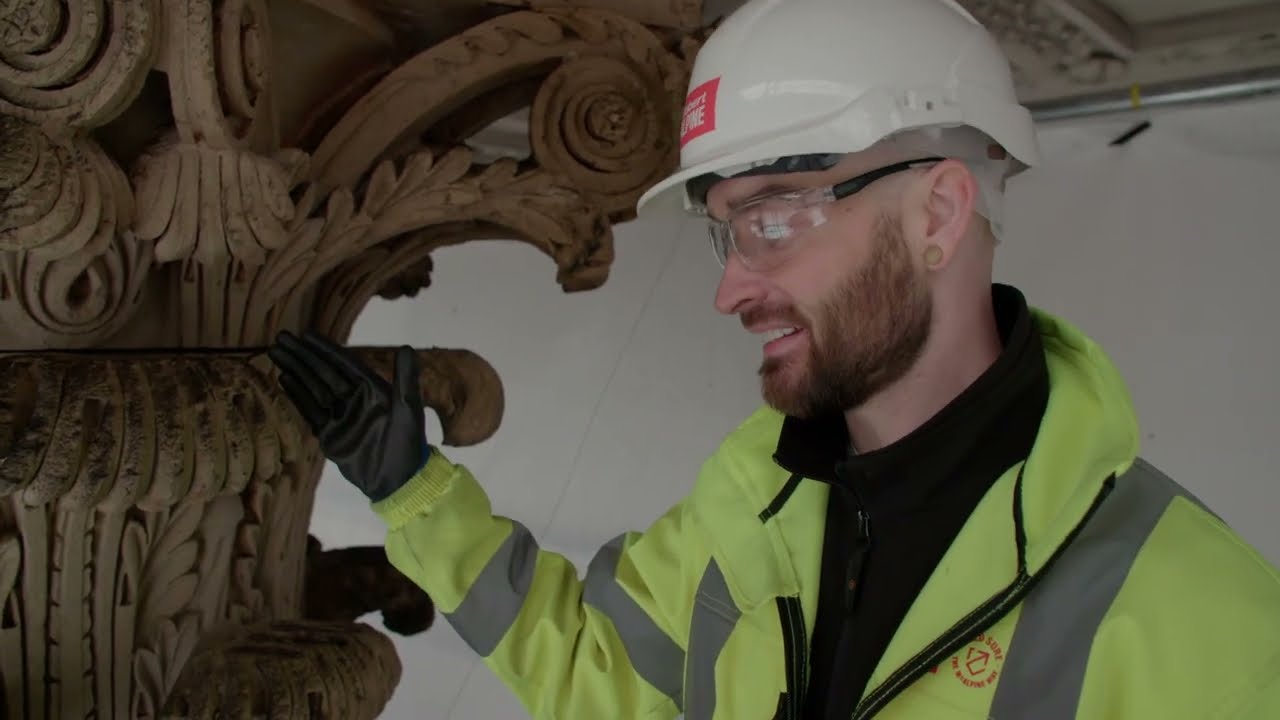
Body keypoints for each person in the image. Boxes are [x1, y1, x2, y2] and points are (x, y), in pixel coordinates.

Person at [267, 0, 1280, 717]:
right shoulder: (753, 493)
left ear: (936, 211)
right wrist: (415, 497)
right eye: (725, 231)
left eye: (774, 220)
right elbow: (605, 677)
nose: (729, 289)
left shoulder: (1207, 626)